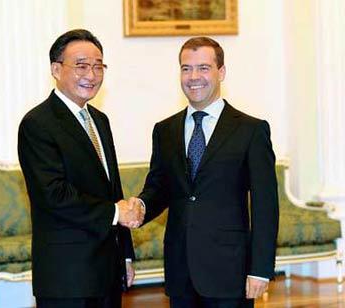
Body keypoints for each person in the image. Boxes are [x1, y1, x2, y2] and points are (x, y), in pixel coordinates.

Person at [130, 37, 279, 308]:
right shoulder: (165, 130)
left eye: (203, 68)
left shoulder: (251, 130)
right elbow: (160, 188)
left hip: (229, 271)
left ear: (221, 72)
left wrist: (260, 269)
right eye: (186, 68)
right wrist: (140, 205)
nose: (193, 77)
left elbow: (265, 205)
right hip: (180, 271)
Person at [18, 29, 142, 308]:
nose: (92, 74)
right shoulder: (38, 123)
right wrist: (115, 213)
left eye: (99, 66)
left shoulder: (99, 120)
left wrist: (125, 255)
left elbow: (114, 190)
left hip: (107, 272)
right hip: (67, 277)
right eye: (82, 65)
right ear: (56, 69)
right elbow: (53, 195)